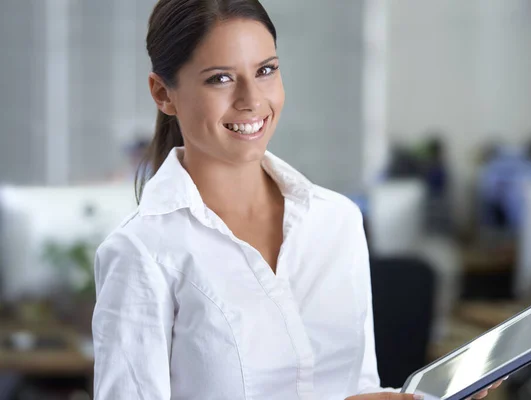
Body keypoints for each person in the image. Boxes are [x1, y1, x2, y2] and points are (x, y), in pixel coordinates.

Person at [92, 1, 503, 399]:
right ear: (163, 94)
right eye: (220, 78)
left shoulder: (336, 221)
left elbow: (357, 386)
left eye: (266, 70)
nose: (252, 100)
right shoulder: (141, 253)